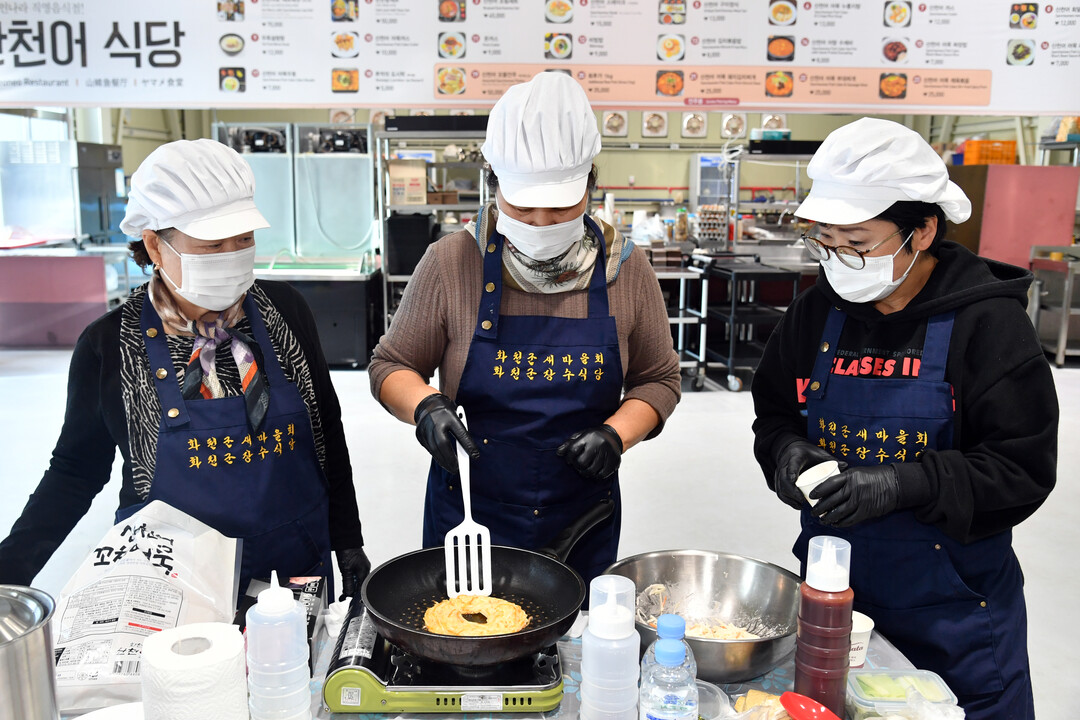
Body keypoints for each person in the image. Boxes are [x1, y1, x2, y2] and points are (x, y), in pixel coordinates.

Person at [751, 118, 1056, 720]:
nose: (838, 259)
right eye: (826, 239)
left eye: (858, 242)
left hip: (953, 612)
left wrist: (903, 483)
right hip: (834, 599)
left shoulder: (986, 324)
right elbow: (775, 415)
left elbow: (1021, 468)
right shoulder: (817, 315)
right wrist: (785, 453)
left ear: (922, 230)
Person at [0, 139, 370, 598]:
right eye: (213, 244)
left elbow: (324, 431)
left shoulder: (285, 313)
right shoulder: (110, 345)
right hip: (170, 581)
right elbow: (75, 471)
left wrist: (348, 539)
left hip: (291, 569)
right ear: (155, 244)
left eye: (244, 239)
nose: (234, 254)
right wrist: (8, 572)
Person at [369, 71, 681, 584]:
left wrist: (616, 435)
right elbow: (392, 364)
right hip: (471, 510)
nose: (539, 222)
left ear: (591, 187)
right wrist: (424, 406)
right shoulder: (452, 262)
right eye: (521, 206)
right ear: (493, 185)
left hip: (581, 515)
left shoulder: (625, 268)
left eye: (560, 208)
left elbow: (659, 380)